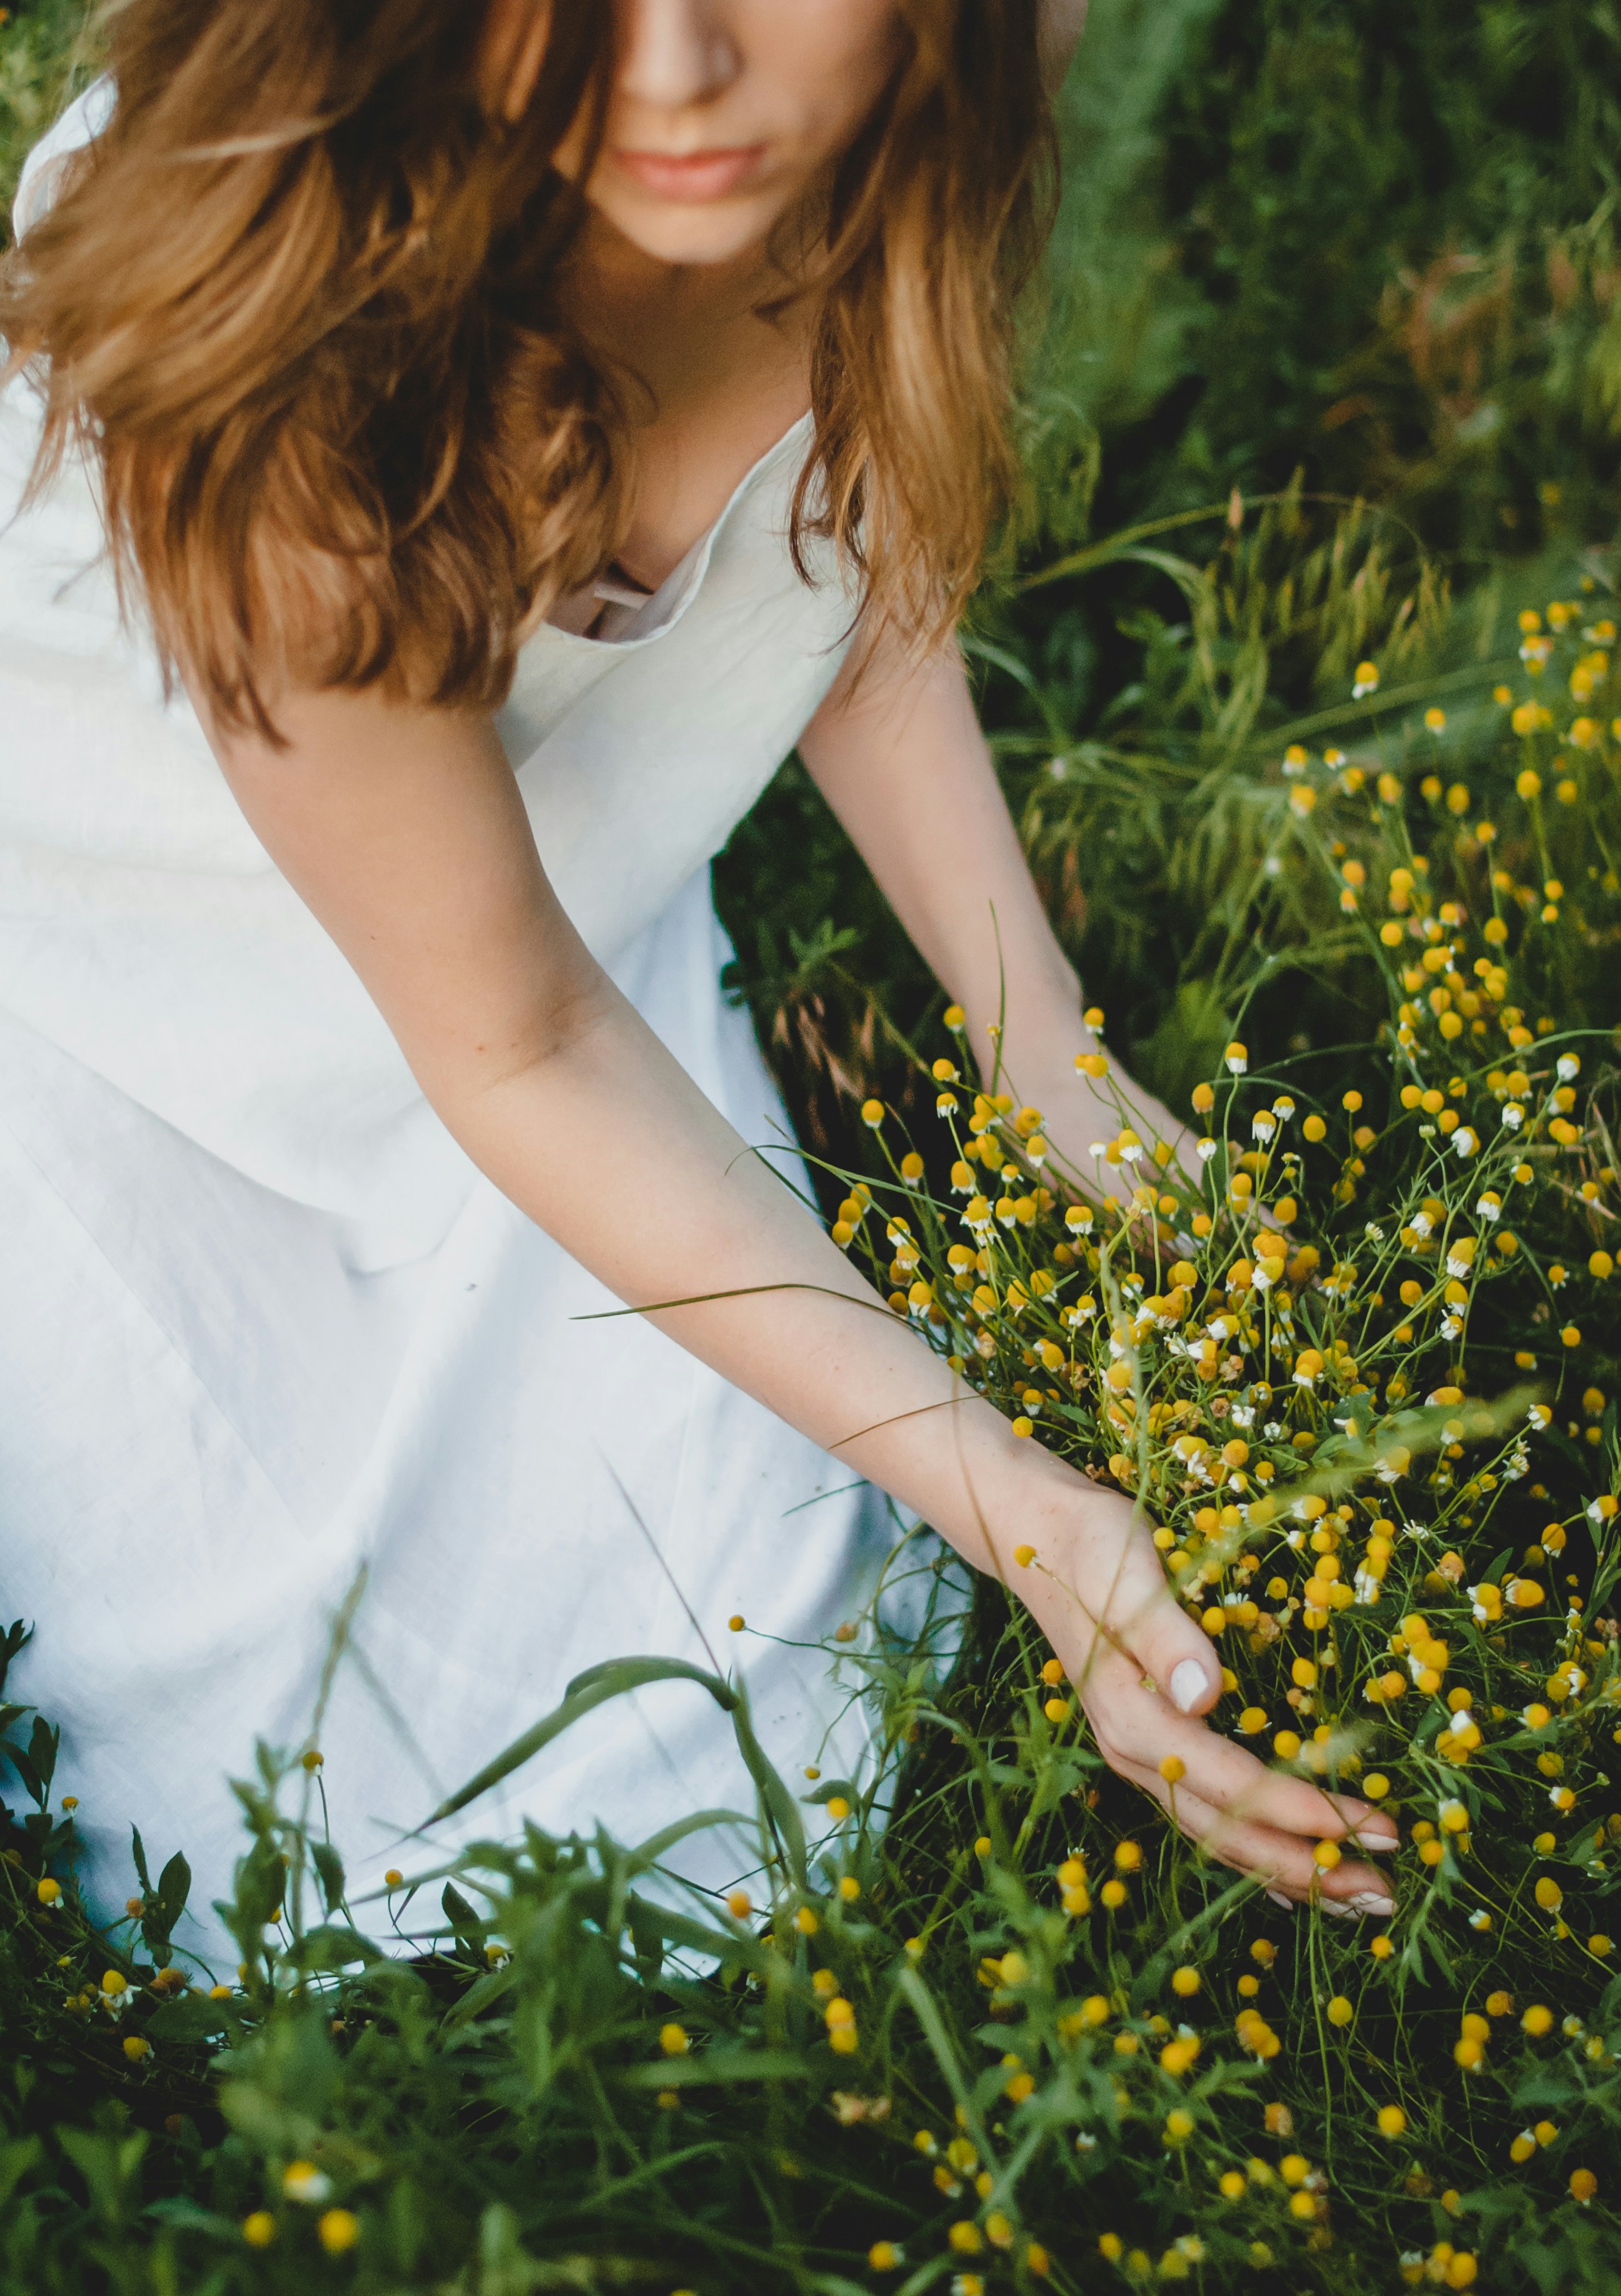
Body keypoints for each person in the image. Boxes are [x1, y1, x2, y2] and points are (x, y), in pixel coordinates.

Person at [0, 0, 1394, 1963]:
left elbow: (844, 571)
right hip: (122, 955)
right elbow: (527, 1037)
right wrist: (1030, 1507)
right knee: (340, 1854)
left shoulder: (943, 85)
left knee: (776, 1672)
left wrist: (1049, 1057)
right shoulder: (283, 357)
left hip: (534, 893)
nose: (670, 71)